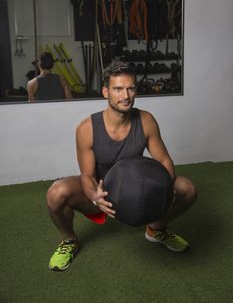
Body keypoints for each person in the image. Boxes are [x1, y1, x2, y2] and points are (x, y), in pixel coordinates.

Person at [47, 61, 197, 271]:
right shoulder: (87, 128)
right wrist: (95, 196)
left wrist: (166, 189)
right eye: (118, 89)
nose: (125, 96)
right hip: (102, 192)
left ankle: (156, 229)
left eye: (131, 88)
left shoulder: (146, 120)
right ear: (105, 92)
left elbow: (164, 161)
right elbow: (86, 176)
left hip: (136, 190)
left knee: (187, 189)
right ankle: (69, 241)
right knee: (56, 192)